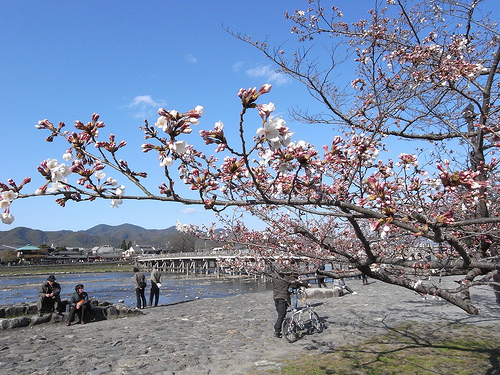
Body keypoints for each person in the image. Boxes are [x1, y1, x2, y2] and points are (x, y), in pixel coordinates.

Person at [272, 271, 311, 338]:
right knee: (282, 314)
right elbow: (296, 284)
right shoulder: (286, 278)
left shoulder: (275, 277)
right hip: (282, 298)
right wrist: (306, 285)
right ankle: (277, 330)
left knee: (281, 314)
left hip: (276, 297)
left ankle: (283, 327)